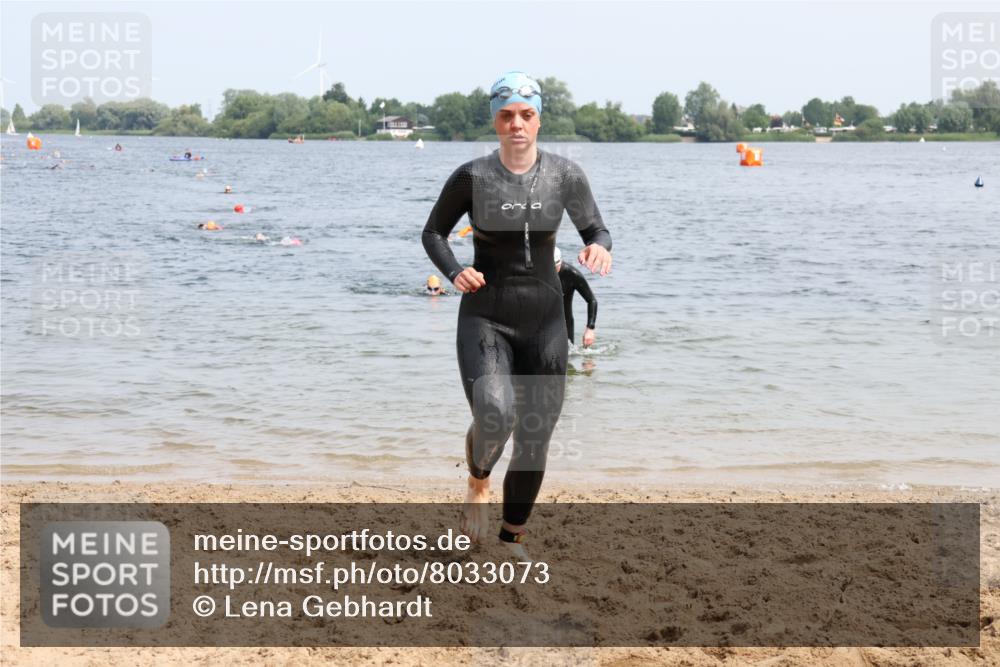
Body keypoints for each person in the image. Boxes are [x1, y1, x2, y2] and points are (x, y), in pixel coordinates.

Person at [422, 71, 612, 556]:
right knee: (495, 412)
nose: (516, 125)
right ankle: (478, 481)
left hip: (547, 320)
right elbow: (434, 233)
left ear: (539, 120)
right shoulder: (473, 176)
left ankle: (511, 538)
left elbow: (596, 229)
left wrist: (599, 249)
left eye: (526, 115)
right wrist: (453, 272)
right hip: (486, 314)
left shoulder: (565, 175)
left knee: (535, 436)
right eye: (506, 116)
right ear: (495, 121)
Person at [554, 247, 598, 348]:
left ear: (560, 263)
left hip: (565, 324)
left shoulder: (571, 274)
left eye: (554, 268)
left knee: (568, 358)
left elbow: (591, 300)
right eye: (547, 267)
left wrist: (590, 329)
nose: (550, 272)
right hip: (542, 324)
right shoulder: (538, 273)